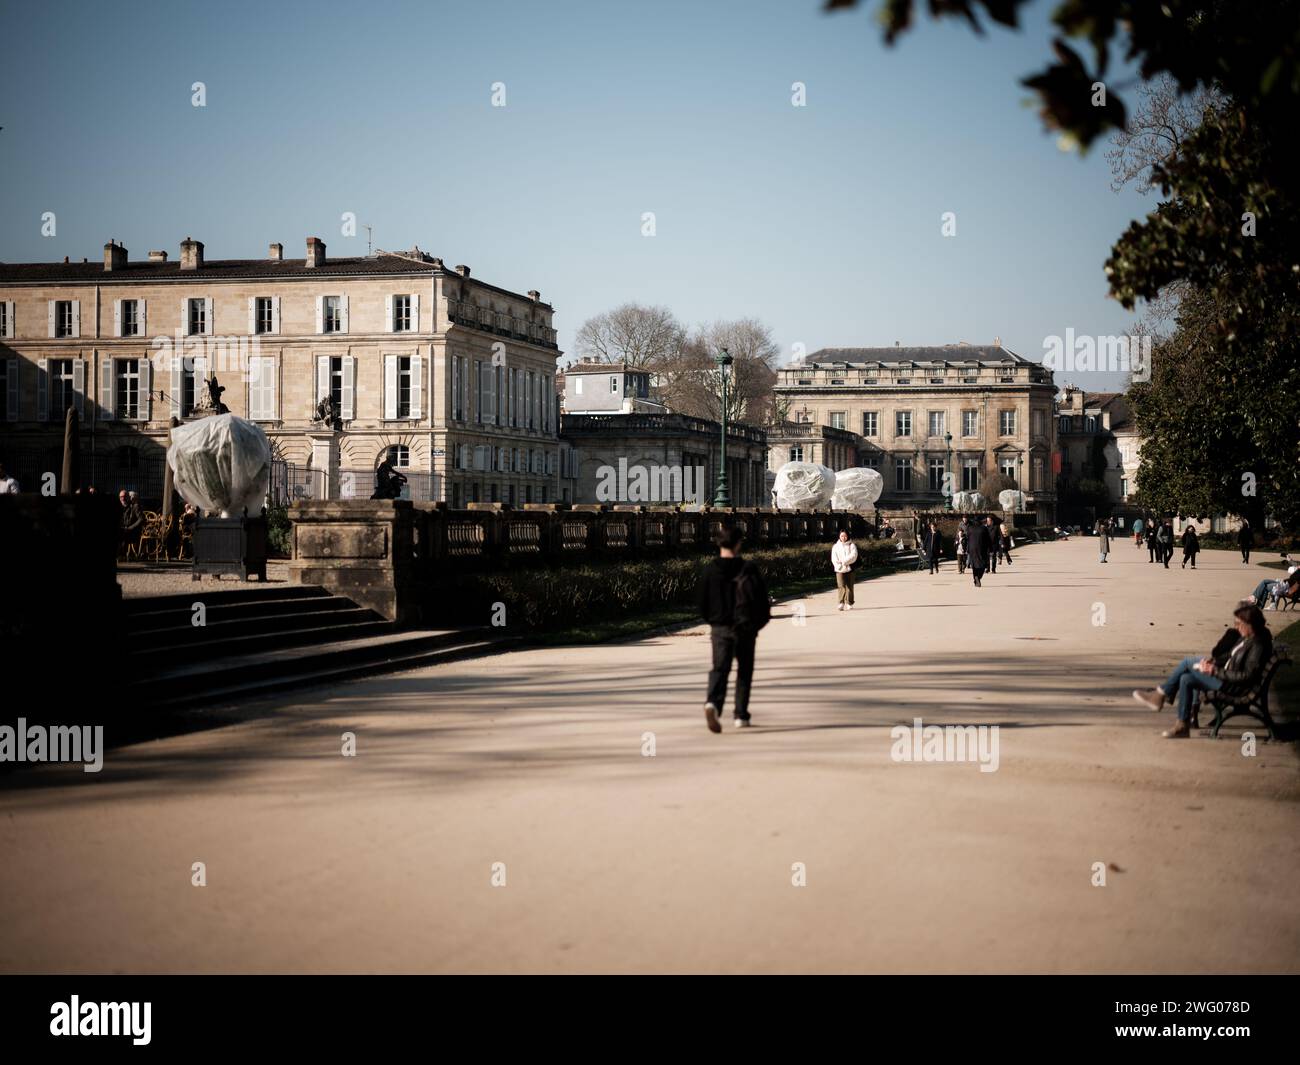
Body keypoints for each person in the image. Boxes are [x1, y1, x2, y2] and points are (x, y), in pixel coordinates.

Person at [1133, 603, 1273, 738]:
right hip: (1227, 678)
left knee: (1188, 662)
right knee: (1186, 679)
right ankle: (1182, 725)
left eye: (1239, 624)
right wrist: (1213, 662)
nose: (1236, 627)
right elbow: (1230, 656)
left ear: (1249, 624)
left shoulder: (1257, 643)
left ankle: (1160, 694)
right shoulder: (1249, 637)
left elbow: (1248, 675)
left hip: (1235, 687)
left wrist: (1214, 671)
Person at [697, 525, 770, 732]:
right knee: (744, 671)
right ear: (738, 544)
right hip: (745, 627)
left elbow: (702, 603)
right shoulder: (748, 568)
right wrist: (757, 625)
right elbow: (763, 601)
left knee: (720, 668)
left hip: (721, 627)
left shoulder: (710, 570)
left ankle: (713, 703)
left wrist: (714, 622)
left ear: (719, 543)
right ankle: (740, 715)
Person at [831, 530, 858, 611]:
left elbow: (854, 556)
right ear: (839, 536)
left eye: (845, 536)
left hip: (850, 568)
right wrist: (839, 565)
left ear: (848, 536)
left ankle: (849, 603)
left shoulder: (852, 545)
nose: (843, 538)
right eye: (842, 536)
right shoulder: (835, 546)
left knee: (850, 586)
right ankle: (841, 602)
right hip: (839, 569)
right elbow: (834, 558)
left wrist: (845, 562)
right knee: (841, 586)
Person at [966, 514, 991, 587]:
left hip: (972, 549)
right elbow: (988, 540)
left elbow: (967, 538)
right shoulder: (984, 528)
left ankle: (976, 577)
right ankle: (978, 577)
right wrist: (990, 549)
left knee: (974, 565)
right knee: (982, 564)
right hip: (981, 548)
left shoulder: (969, 528)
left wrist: (967, 549)